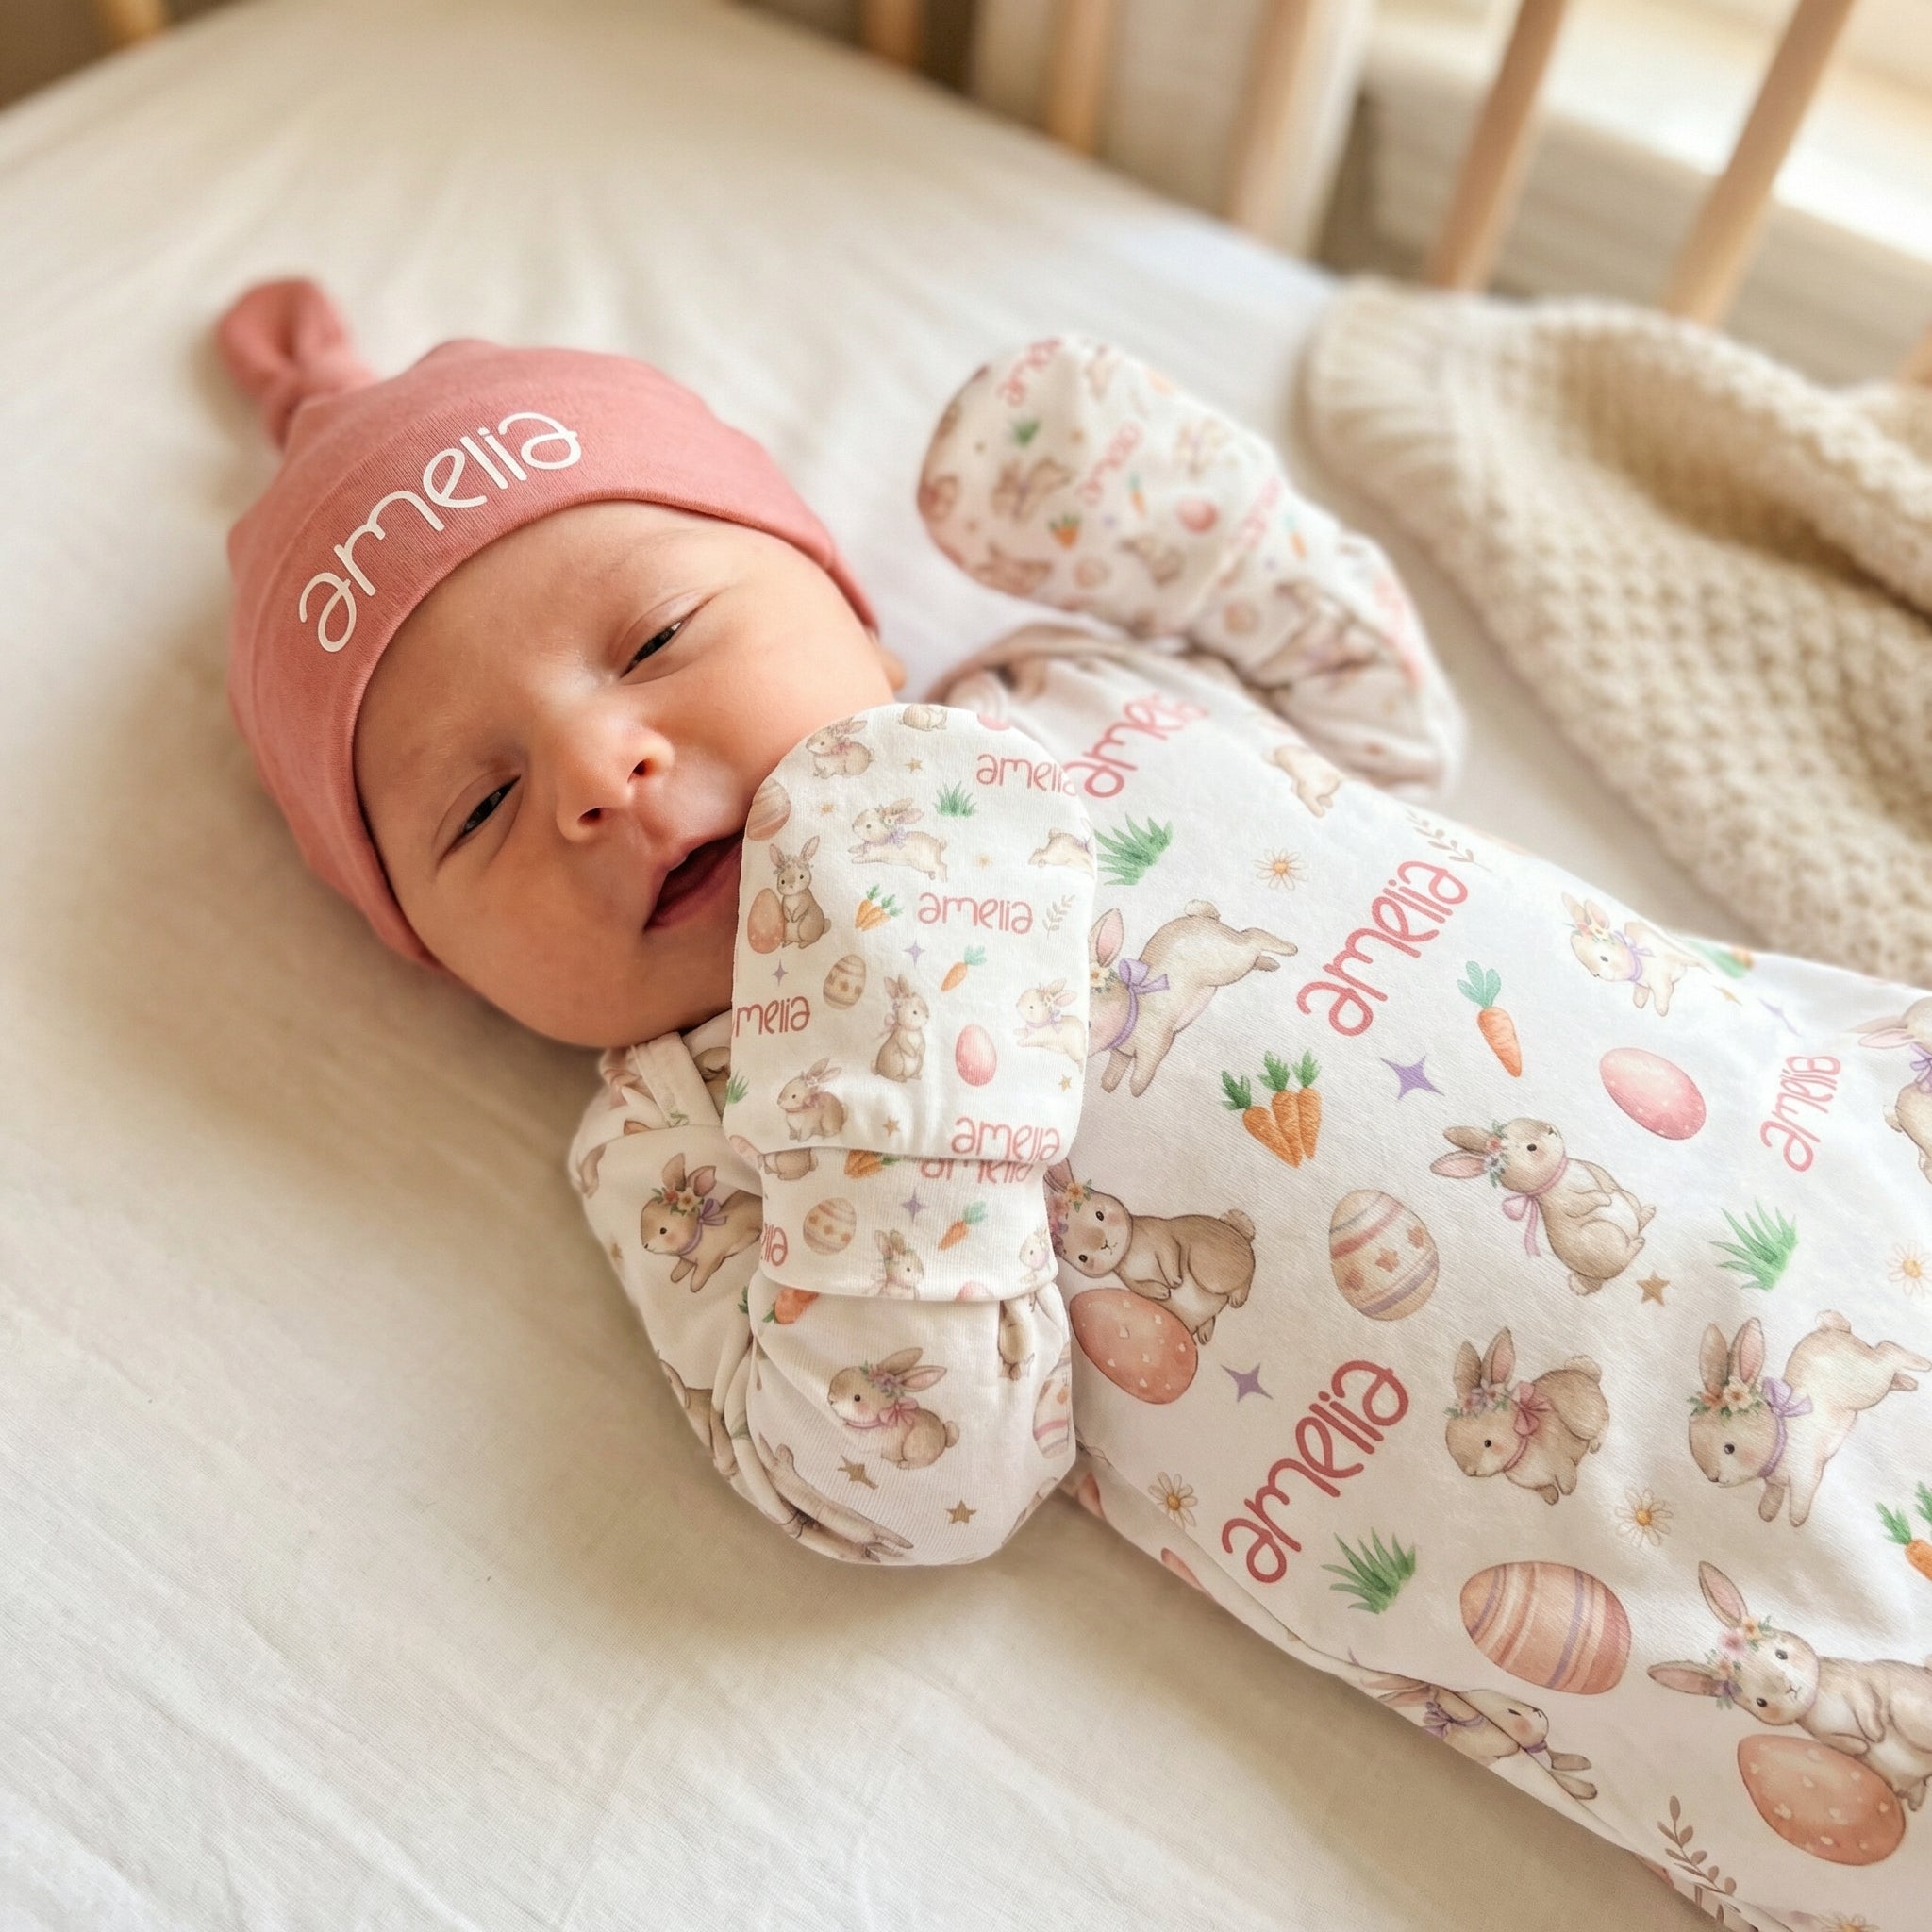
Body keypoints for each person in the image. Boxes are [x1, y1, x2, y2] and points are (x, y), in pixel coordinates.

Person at [219, 280, 1931, 1932]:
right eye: (482, 809)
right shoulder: (678, 1130)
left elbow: (1388, 738)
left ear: (847, 603)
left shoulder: (1058, 691)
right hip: (1704, 1602)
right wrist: (898, 1032)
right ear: (434, 959)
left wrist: (1187, 534)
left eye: (658, 641)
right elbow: (915, 1482)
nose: (604, 772)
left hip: (1831, 1137)